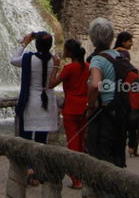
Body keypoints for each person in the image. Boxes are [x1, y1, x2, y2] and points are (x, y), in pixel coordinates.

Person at [86, 17, 139, 198]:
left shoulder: (97, 60)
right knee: (118, 169)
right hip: (120, 122)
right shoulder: (119, 57)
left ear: (93, 38)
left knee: (101, 171)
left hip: (102, 119)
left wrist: (91, 104)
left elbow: (95, 84)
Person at [10, 30, 59, 185]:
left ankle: (29, 168)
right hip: (47, 104)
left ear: (36, 44)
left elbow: (13, 60)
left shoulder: (28, 59)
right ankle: (38, 171)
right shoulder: (55, 60)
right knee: (41, 141)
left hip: (31, 103)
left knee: (26, 139)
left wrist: (24, 43)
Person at [52, 38, 89, 187]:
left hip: (71, 109)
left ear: (69, 51)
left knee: (72, 143)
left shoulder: (69, 68)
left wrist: (55, 65)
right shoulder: (87, 66)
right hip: (84, 107)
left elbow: (51, 84)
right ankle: (82, 174)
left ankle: (76, 178)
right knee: (80, 142)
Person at [116, 30, 139, 158]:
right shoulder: (124, 54)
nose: (132, 44)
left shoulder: (113, 53)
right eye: (130, 41)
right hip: (131, 92)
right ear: (123, 42)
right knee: (134, 124)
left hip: (120, 91)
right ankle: (132, 148)